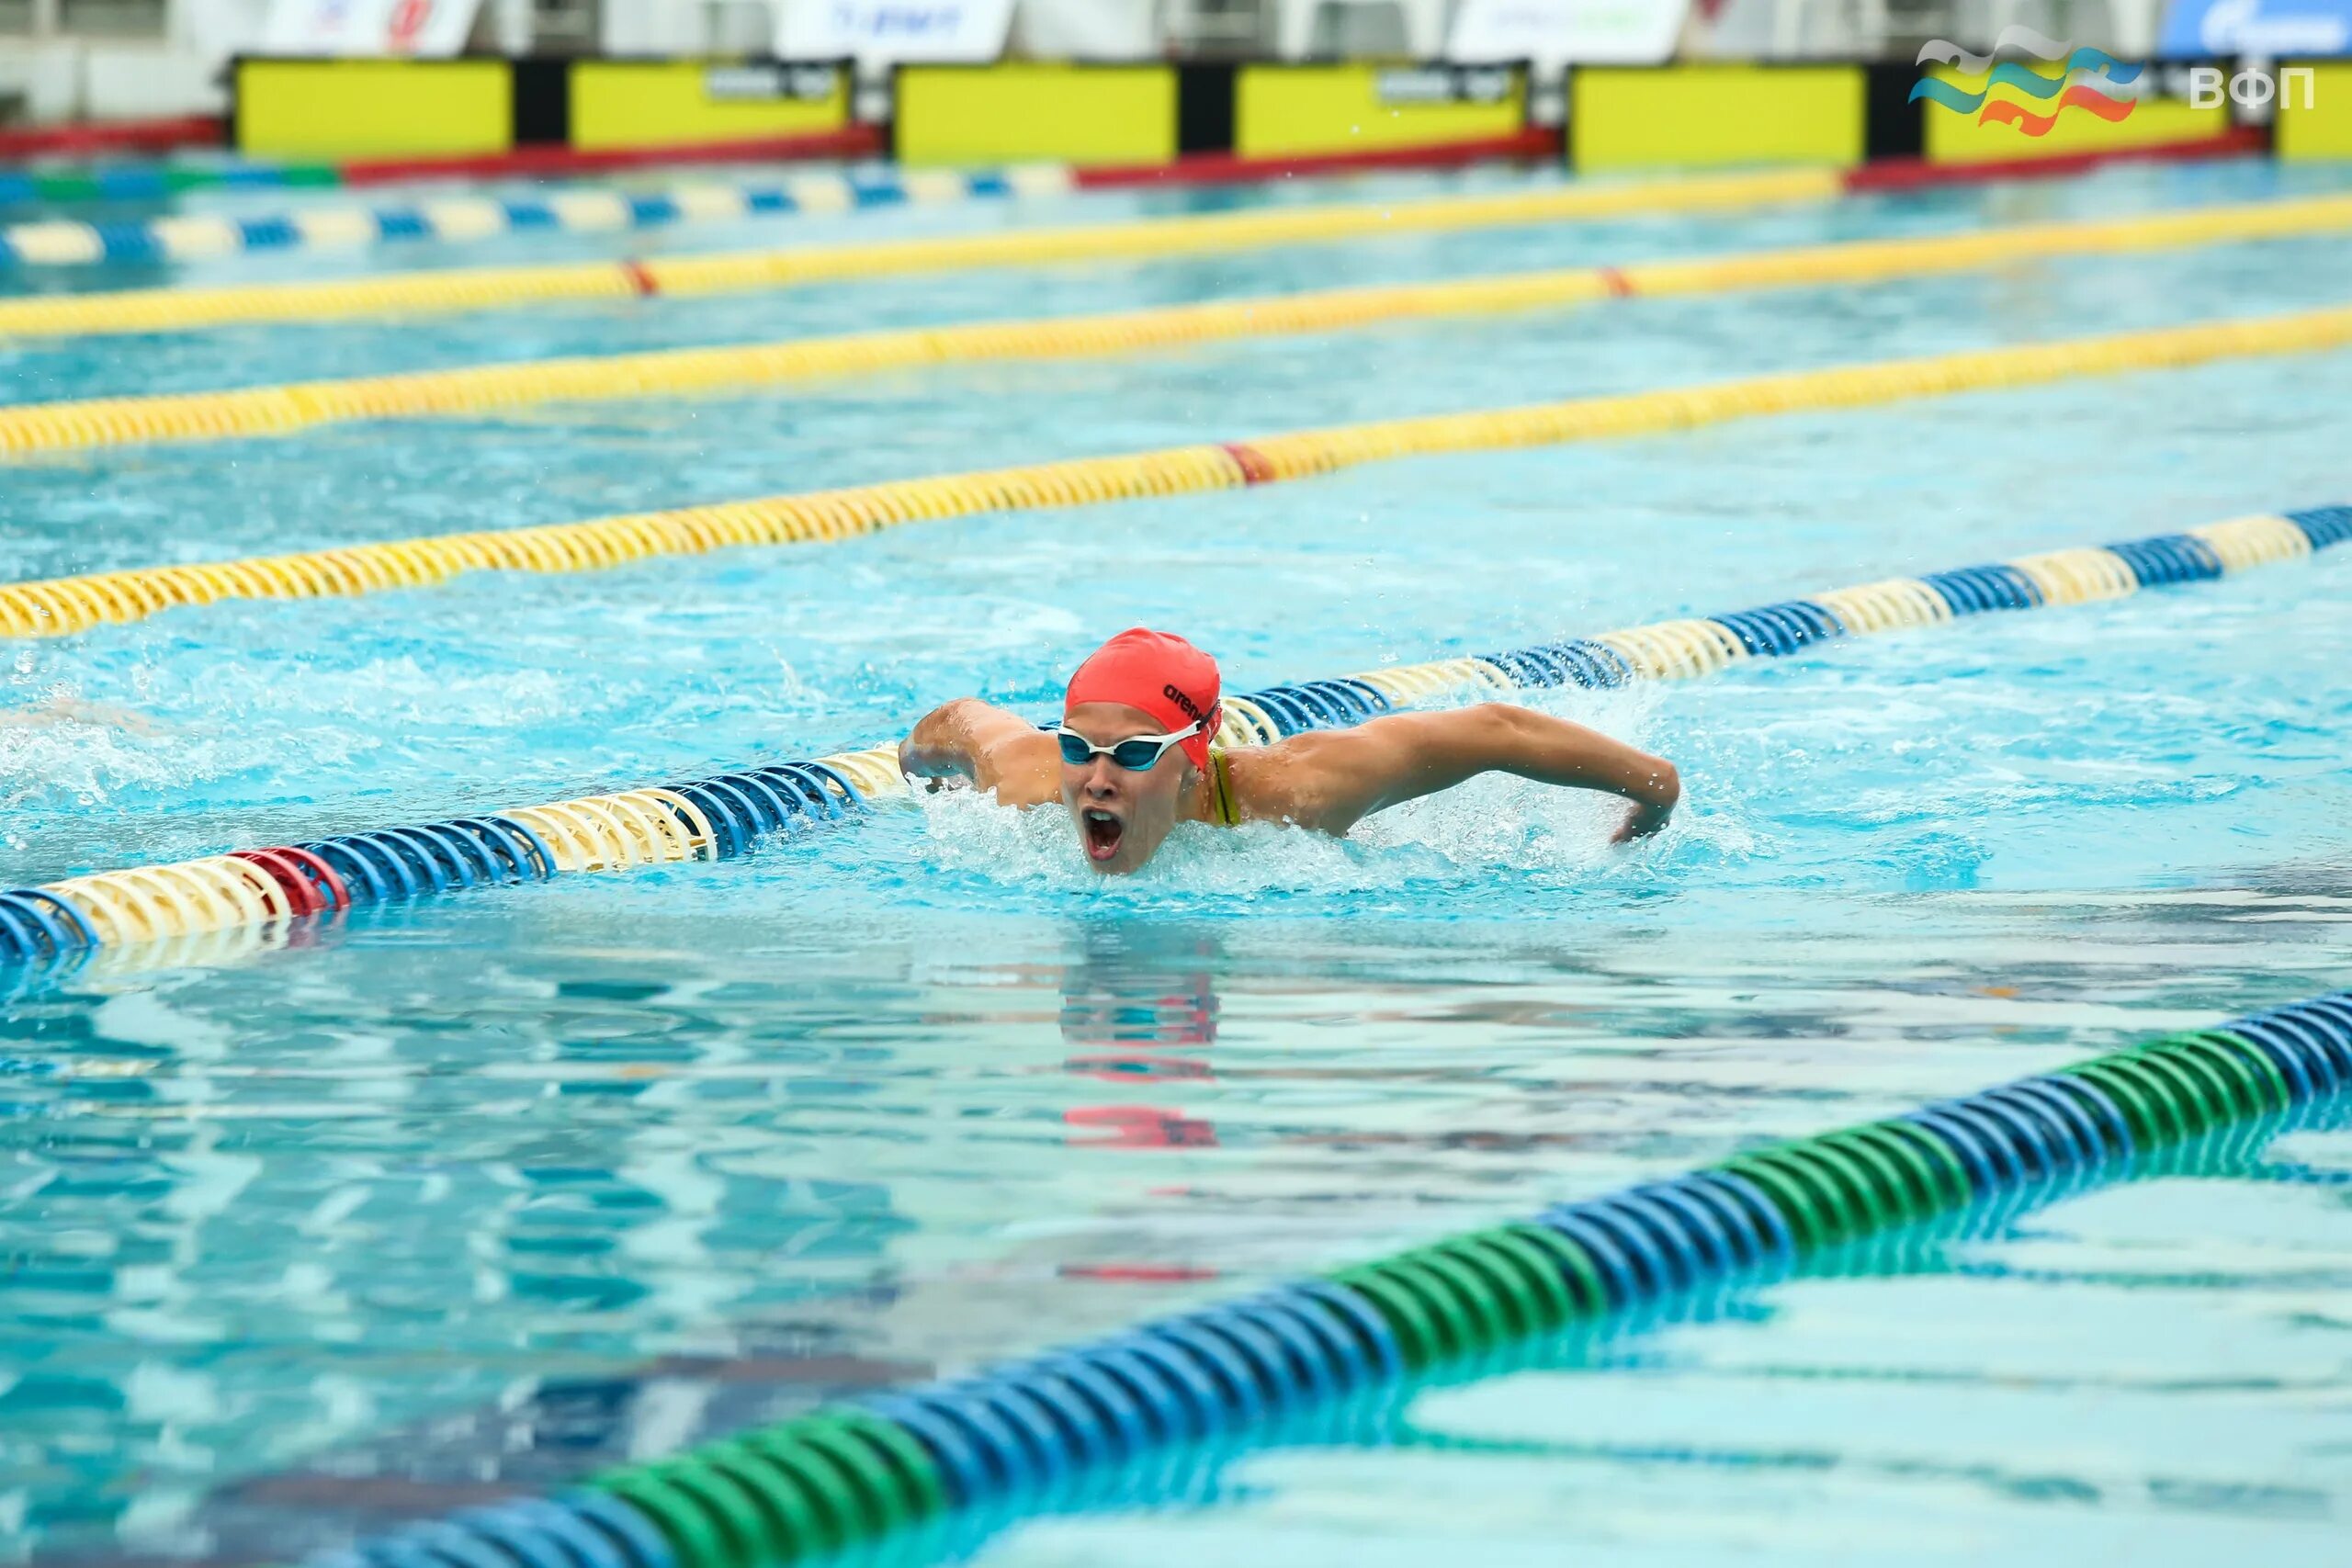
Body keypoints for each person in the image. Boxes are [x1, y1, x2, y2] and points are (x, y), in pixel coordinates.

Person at [899, 627, 1679, 876]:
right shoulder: (1030, 778)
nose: (1096, 778)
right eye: (1080, 747)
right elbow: (960, 721)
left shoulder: (1299, 792)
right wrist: (913, 766)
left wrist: (1656, 788)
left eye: (1132, 755)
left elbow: (1495, 731)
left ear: (1194, 756)